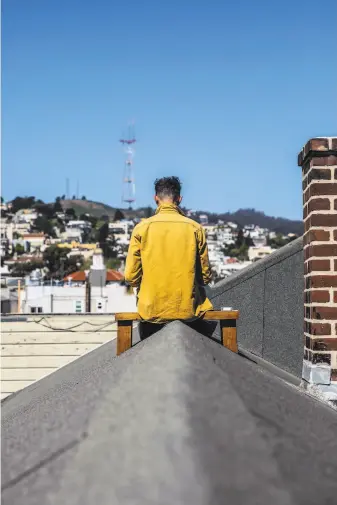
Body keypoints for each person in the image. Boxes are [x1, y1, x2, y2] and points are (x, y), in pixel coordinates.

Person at [124, 176, 213, 337]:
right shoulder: (195, 228)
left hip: (151, 311)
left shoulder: (141, 228)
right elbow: (205, 277)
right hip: (188, 310)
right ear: (179, 199)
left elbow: (131, 277)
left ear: (155, 198)